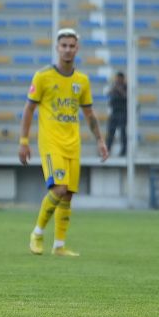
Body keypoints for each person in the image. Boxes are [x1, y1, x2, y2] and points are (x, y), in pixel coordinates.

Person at [18, 28, 108, 257]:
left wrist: (100, 140)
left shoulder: (82, 81)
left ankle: (59, 246)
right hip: (51, 143)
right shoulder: (43, 77)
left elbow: (89, 114)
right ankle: (37, 233)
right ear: (57, 48)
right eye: (64, 46)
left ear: (77, 49)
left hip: (72, 144)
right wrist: (24, 140)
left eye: (71, 46)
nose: (67, 50)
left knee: (68, 194)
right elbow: (29, 109)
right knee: (58, 188)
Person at [104, 72, 128, 156]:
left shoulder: (126, 87)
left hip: (122, 112)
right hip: (114, 112)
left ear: (122, 78)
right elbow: (108, 94)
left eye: (119, 78)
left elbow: (126, 97)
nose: (117, 80)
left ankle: (124, 151)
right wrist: (113, 89)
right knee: (111, 131)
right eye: (116, 78)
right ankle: (107, 150)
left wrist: (119, 89)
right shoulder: (114, 86)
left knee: (122, 132)